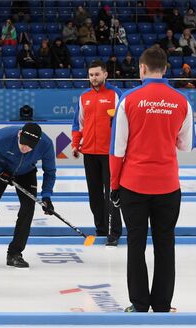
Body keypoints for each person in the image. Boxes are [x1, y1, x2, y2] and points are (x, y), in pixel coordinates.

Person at [109, 45, 196, 313]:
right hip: (168, 186)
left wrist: (114, 186)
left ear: (142, 69)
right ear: (166, 69)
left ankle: (139, 303)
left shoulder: (128, 98)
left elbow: (117, 150)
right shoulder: (182, 101)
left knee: (136, 244)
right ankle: (161, 304)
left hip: (133, 185)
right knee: (165, 244)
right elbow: (186, 146)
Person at [0, 123, 56, 269]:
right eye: (23, 145)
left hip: (26, 173)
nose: (25, 149)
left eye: (30, 147)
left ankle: (15, 253)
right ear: (19, 135)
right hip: (0, 170)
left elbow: (50, 172)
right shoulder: (4, 136)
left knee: (28, 208)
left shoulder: (46, 144)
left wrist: (46, 196)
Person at [71, 60, 123, 246]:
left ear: (105, 74)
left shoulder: (116, 95)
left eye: (97, 74)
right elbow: (79, 123)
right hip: (89, 153)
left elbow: (125, 124)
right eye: (91, 75)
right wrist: (76, 144)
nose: (93, 78)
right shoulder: (84, 96)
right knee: (94, 194)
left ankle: (114, 232)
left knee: (112, 194)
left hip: (110, 154)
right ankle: (101, 229)